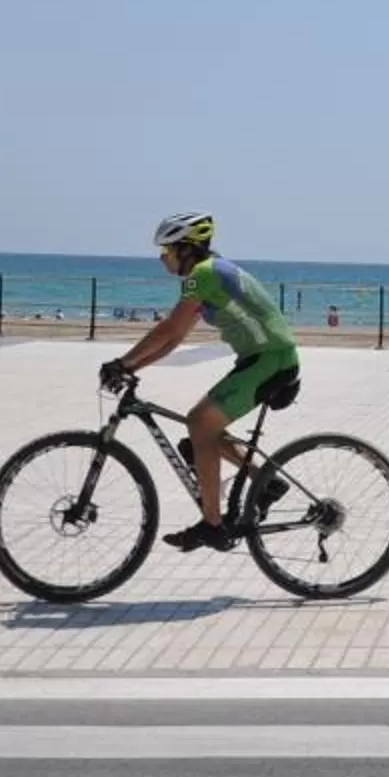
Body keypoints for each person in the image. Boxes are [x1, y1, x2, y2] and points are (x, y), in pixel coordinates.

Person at [99, 212, 299, 554]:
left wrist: (123, 362)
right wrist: (135, 368)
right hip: (261, 359)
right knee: (201, 428)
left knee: (200, 423)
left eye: (166, 252)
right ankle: (266, 482)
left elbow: (169, 329)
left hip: (270, 360)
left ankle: (213, 524)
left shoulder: (203, 275)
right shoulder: (208, 274)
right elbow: (176, 340)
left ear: (186, 249)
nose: (162, 258)